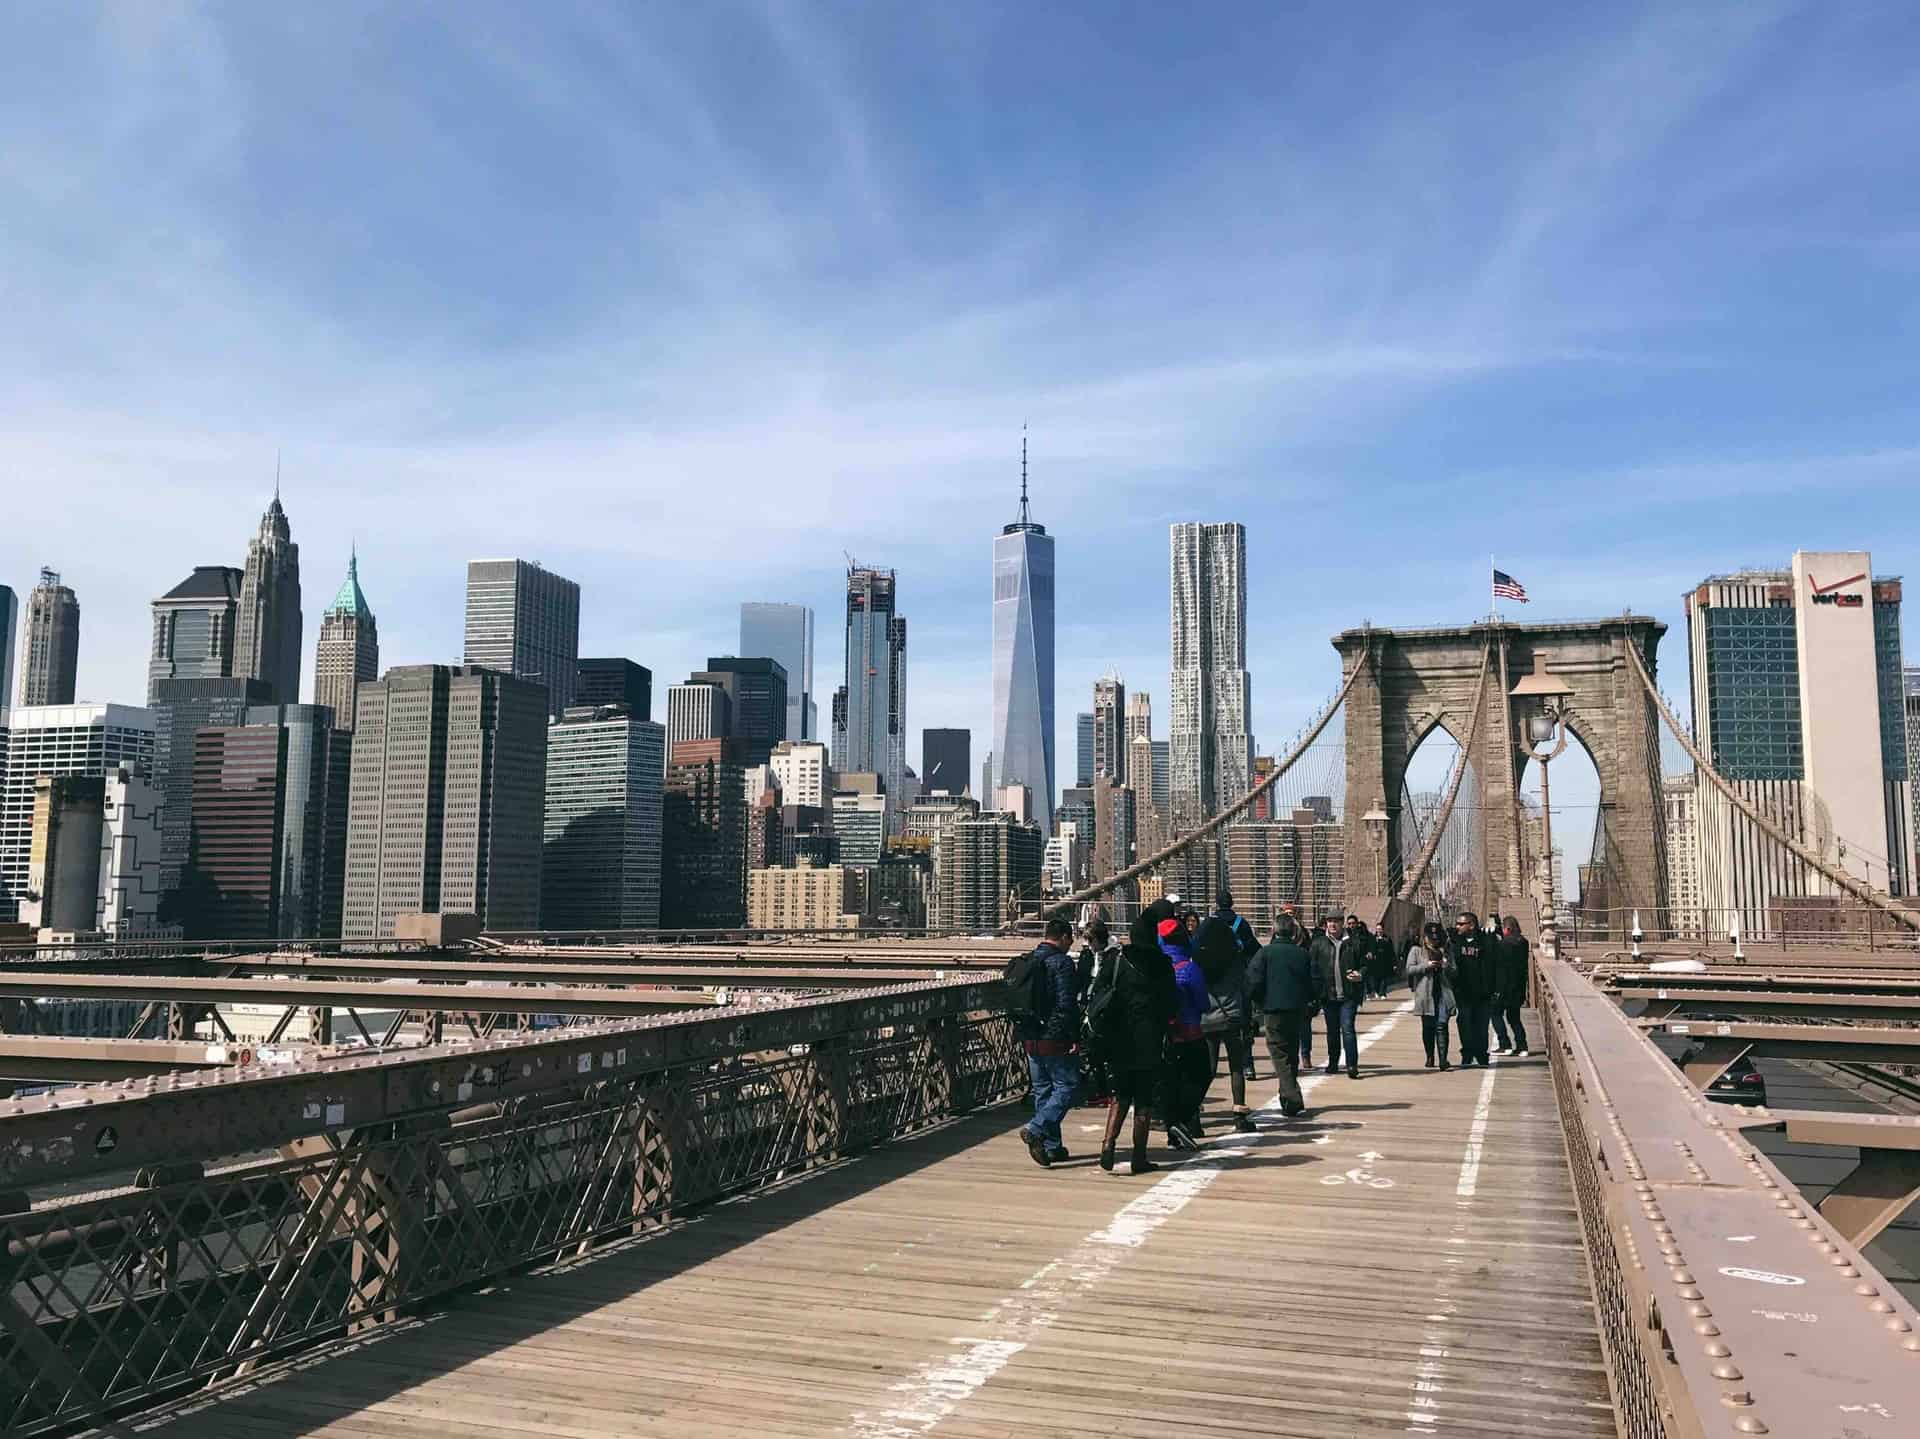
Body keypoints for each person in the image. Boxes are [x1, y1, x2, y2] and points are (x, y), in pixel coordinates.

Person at [1193, 889, 1261, 1134]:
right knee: (1236, 1066)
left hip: (1207, 1016)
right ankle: (1240, 1116)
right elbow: (1248, 981)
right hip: (1232, 1016)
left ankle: (1195, 1117)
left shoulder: (1199, 961)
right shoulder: (1235, 960)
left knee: (1207, 1069)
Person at [1016, 916, 1082, 1167]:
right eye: (1070, 938)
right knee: (1068, 1085)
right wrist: (1072, 1036)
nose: (1071, 943)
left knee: (1043, 1089)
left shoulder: (1030, 960)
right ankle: (1036, 1128)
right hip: (1053, 1037)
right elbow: (1067, 1005)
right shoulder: (1061, 963)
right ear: (1063, 937)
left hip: (1029, 1035)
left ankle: (1052, 1147)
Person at [1245, 916, 1317, 1116]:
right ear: (1294, 932)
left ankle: (1292, 1097)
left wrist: (1258, 1003)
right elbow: (1314, 982)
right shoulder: (1302, 954)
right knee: (1291, 1053)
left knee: (1279, 1054)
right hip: (1297, 1010)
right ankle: (1288, 1099)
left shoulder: (1265, 953)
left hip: (1273, 1011)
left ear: (1274, 931)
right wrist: (1311, 1003)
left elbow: (1252, 983)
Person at [1158, 914, 1212, 1149]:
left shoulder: (1156, 968)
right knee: (1200, 1076)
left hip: (1164, 1035)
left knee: (1172, 1082)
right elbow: (1203, 1004)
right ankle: (1180, 1120)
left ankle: (1173, 1132)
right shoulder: (1189, 968)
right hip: (1190, 1031)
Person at [1449, 910, 1498, 1068]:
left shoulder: (1486, 941)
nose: (1458, 926)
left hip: (1482, 993)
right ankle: (1467, 1054)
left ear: (1471, 925)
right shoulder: (1455, 942)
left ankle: (1481, 1055)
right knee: (1464, 1024)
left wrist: (1495, 989)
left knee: (1481, 1026)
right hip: (1463, 993)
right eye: (1457, 924)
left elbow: (1495, 966)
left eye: (1461, 924)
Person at [1406, 921, 1457, 1069]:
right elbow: (1409, 969)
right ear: (1425, 937)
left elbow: (1455, 971)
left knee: (1442, 1025)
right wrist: (1426, 966)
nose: (1434, 940)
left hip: (1443, 992)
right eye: (1430, 937)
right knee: (1428, 1027)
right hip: (1425, 994)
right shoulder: (1417, 951)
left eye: (1436, 937)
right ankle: (1429, 1056)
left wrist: (1446, 966)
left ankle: (1443, 1060)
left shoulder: (1447, 950)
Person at [1493, 916, 1532, 1056]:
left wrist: (1497, 990)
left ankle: (1505, 1044)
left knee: (1495, 1013)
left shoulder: (1503, 944)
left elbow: (1500, 968)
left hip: (1504, 987)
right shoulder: (1524, 942)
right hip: (1519, 987)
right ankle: (1522, 1046)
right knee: (1514, 1017)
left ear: (1507, 929)